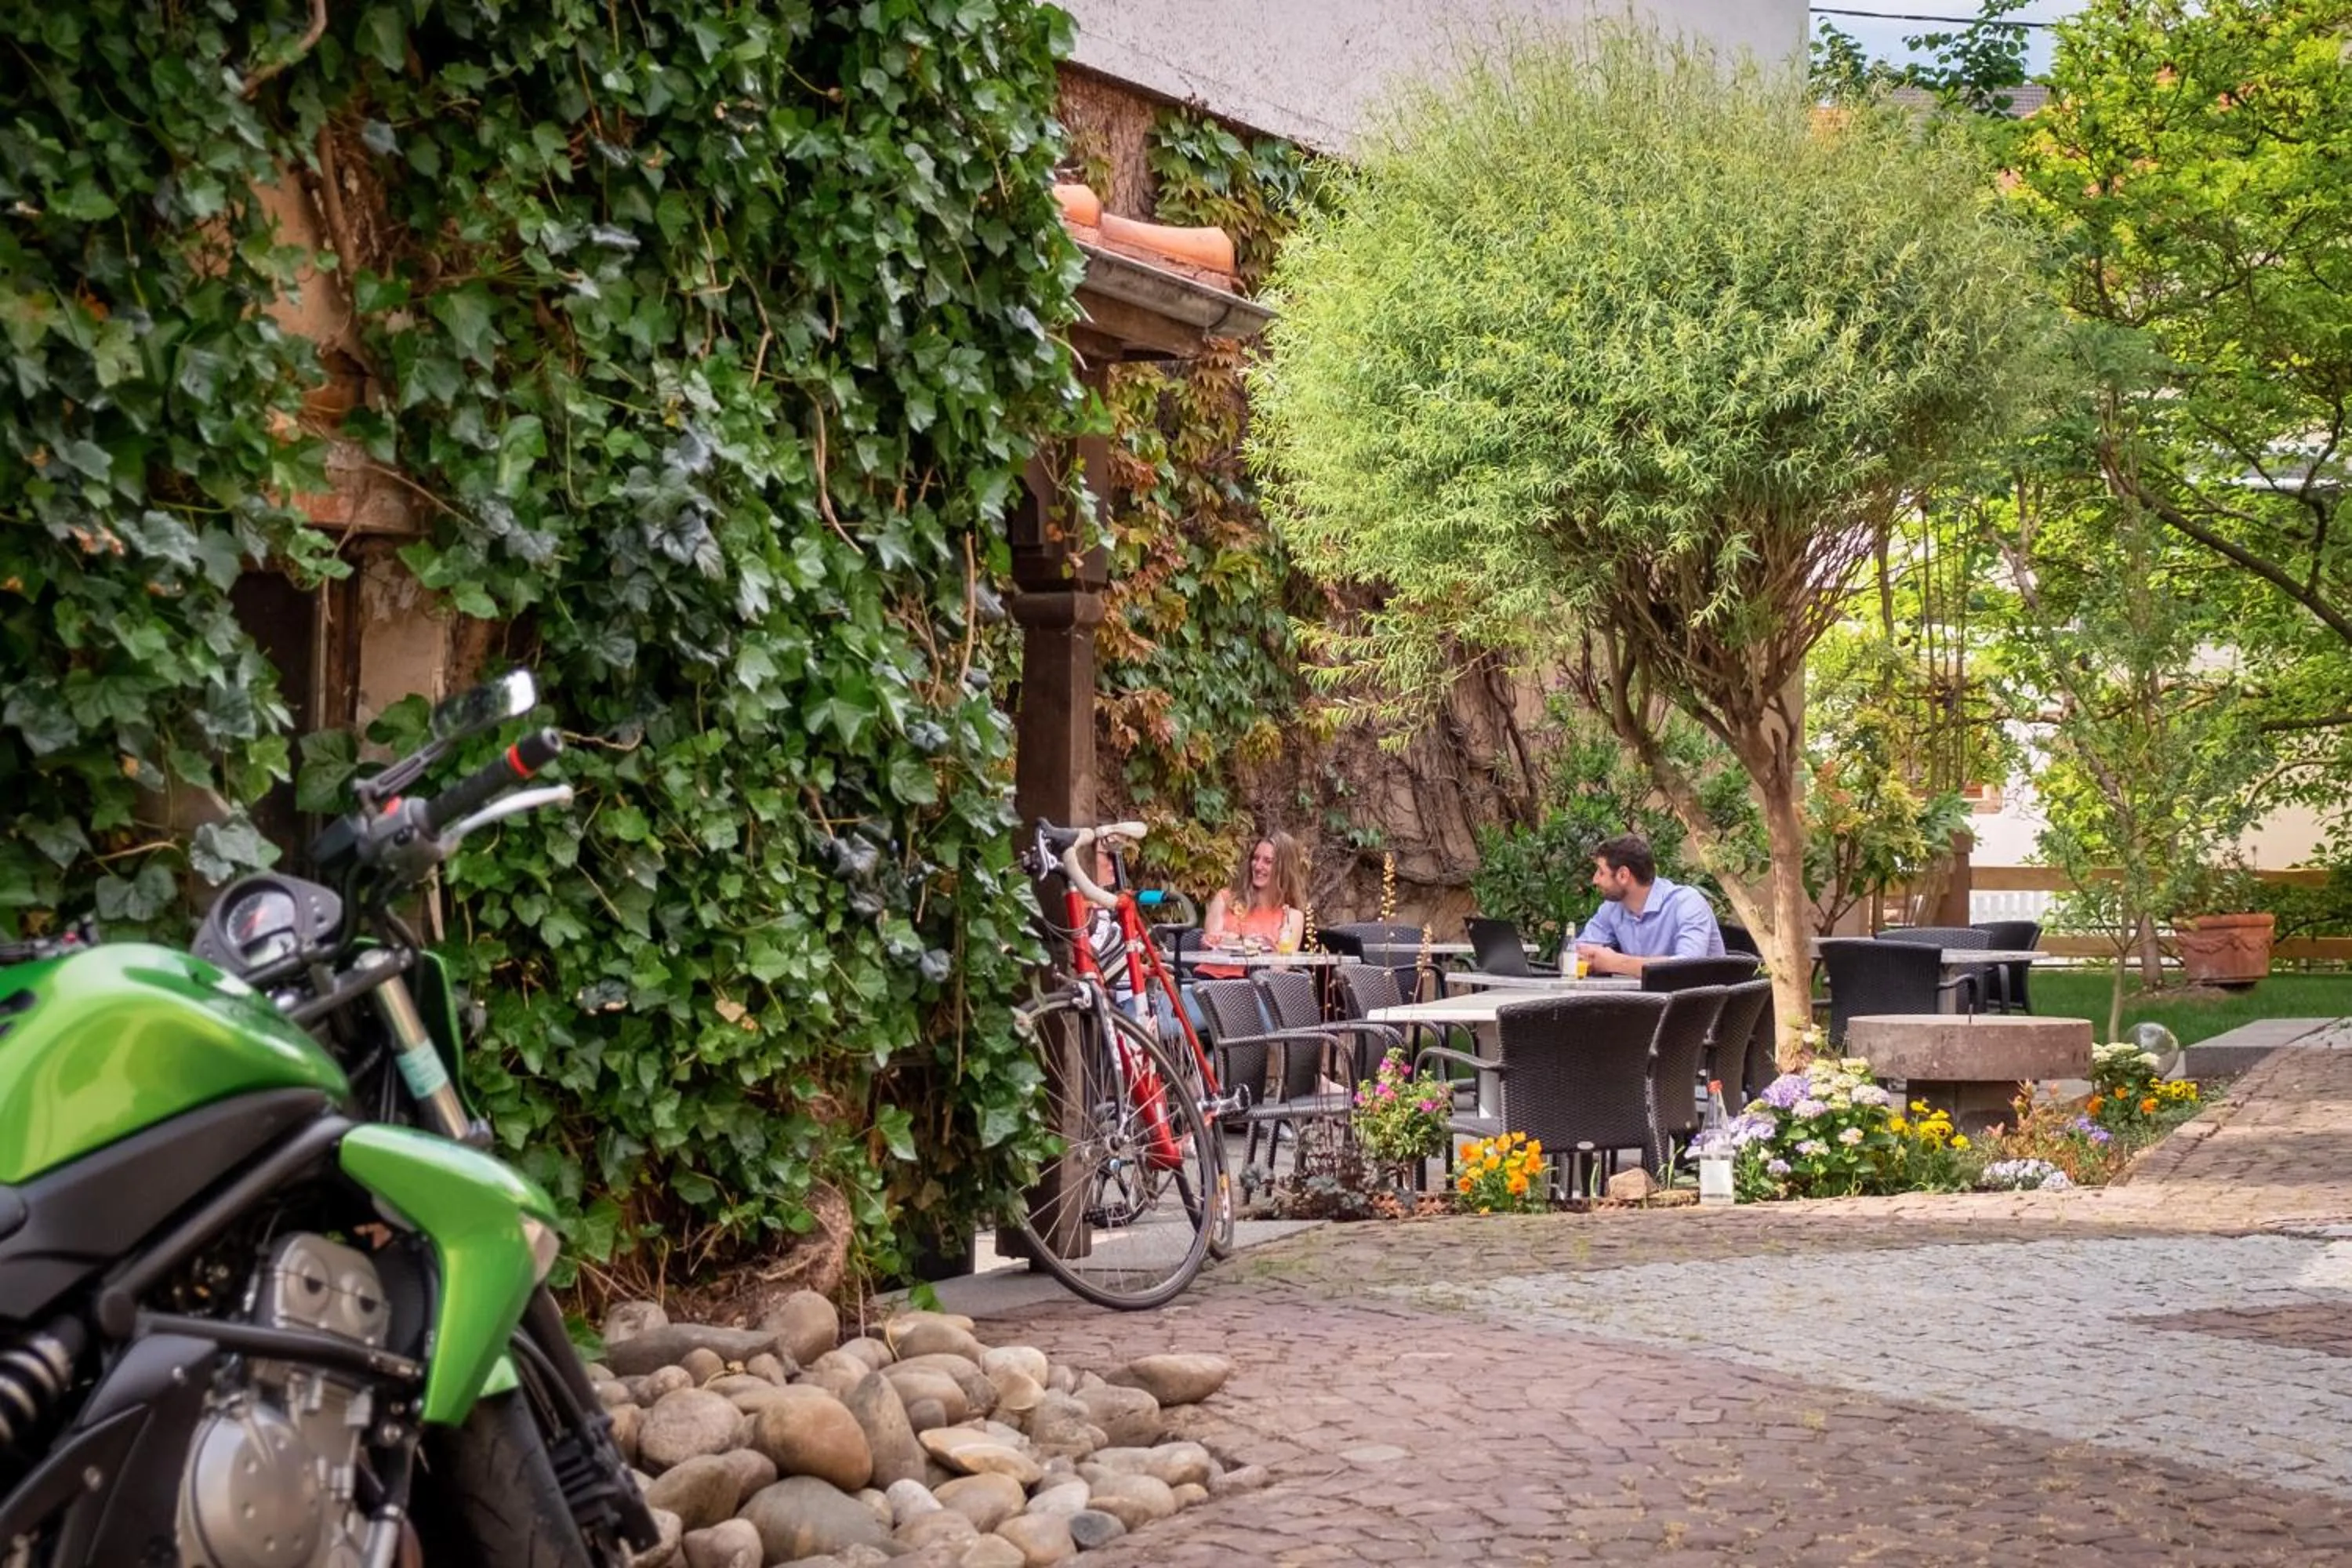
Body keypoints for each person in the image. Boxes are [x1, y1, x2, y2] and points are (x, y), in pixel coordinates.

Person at [1571, 833, 1725, 976]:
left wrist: (1616, 963)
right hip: (1646, 996)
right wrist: (1581, 957)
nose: (1595, 880)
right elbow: (1576, 952)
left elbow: (1689, 967)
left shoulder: (1687, 903)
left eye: (1601, 872)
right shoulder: (1613, 908)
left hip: (1702, 996)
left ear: (1623, 875)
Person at [1197, 830, 1306, 980]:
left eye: (1268, 861)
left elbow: (1280, 967)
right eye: (1255, 858)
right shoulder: (1225, 899)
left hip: (1256, 985)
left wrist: (1253, 946)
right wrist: (1223, 941)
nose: (1258, 866)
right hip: (1210, 981)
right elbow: (1210, 945)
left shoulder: (1291, 915)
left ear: (1284, 868)